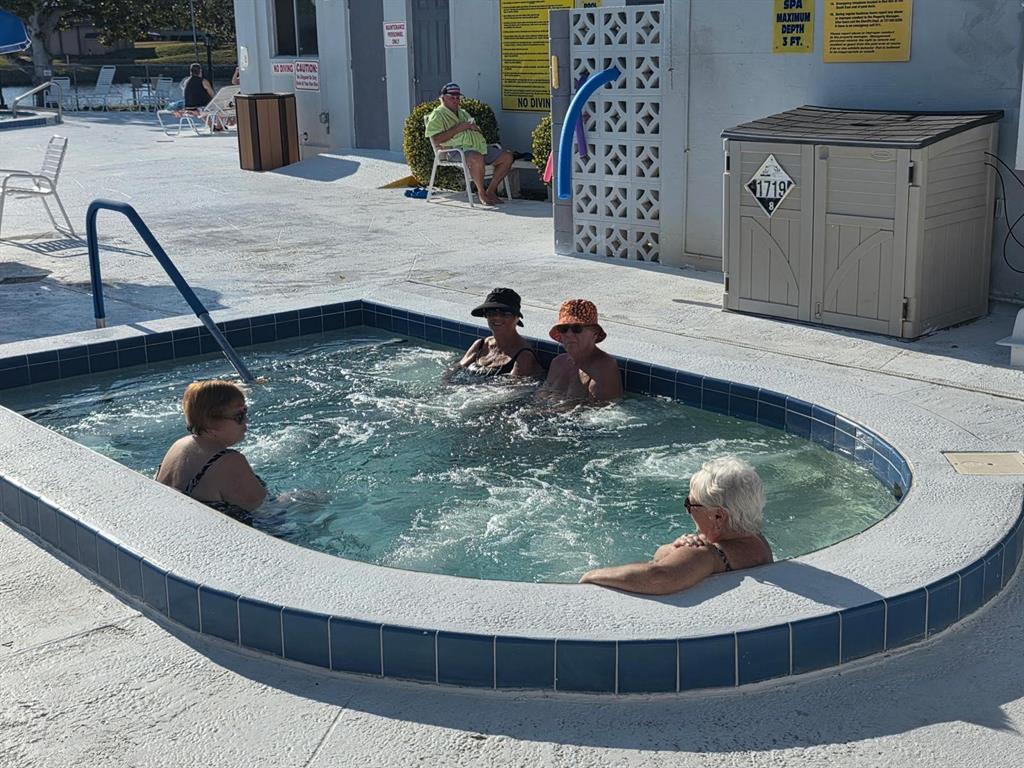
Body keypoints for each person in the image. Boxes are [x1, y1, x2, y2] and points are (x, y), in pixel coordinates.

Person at [579, 457, 774, 595]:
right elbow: (662, 556)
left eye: (691, 504)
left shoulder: (707, 555)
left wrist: (593, 575)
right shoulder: (756, 540)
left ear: (717, 516)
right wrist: (674, 549)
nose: (688, 510)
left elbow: (659, 576)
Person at [155, 380, 266, 521]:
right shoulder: (229, 461)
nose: (246, 420)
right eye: (239, 416)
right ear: (210, 424)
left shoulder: (179, 445)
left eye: (245, 411)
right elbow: (267, 512)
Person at [424, 82, 514, 206]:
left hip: (476, 146)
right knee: (476, 157)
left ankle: (491, 191)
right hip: (454, 151)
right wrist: (458, 128)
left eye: (457, 98)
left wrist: (475, 129)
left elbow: (475, 129)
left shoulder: (463, 113)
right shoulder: (438, 115)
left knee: (507, 157)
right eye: (452, 98)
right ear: (443, 98)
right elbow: (435, 140)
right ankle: (481, 192)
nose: (456, 101)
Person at [537, 299, 622, 403]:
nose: (568, 334)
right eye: (564, 328)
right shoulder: (558, 363)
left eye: (577, 328)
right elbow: (541, 397)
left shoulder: (604, 368)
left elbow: (598, 412)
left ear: (594, 332)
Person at [458, 288, 543, 378]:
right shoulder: (481, 345)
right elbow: (456, 369)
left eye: (505, 314)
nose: (497, 318)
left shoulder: (524, 356)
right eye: (491, 313)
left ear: (517, 318)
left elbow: (512, 389)